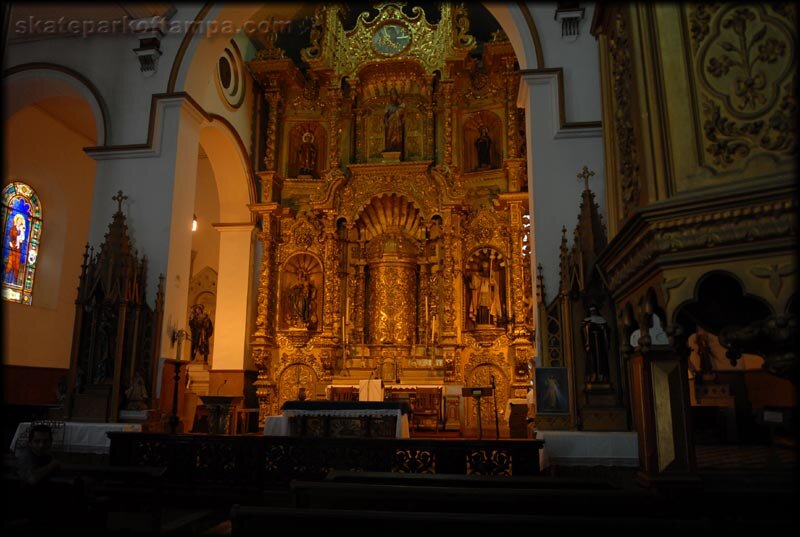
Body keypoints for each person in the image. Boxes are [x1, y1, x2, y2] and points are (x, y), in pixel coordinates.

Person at [581, 304, 610, 383]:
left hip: (600, 343)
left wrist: (606, 340)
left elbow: (606, 331)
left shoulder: (602, 320)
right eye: (591, 311)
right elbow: (585, 331)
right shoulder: (587, 321)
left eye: (594, 311)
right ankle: (592, 376)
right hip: (591, 344)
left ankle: (602, 376)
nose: (593, 312)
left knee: (601, 359)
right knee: (592, 359)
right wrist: (587, 343)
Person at [468, 261, 502, 325]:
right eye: (484, 268)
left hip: (488, 295)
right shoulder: (479, 276)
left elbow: (495, 286)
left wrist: (492, 283)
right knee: (481, 309)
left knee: (488, 309)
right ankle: (480, 323)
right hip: (480, 295)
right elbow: (475, 285)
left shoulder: (490, 277)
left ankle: (489, 323)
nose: (485, 269)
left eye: (486, 268)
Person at [4, 212, 26, 284]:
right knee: (10, 262)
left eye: (20, 221)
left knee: (16, 264)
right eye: (18, 220)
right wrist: (10, 242)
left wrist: (21, 239)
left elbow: (23, 240)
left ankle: (14, 282)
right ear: (16, 221)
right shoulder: (13, 228)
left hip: (18, 250)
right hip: (12, 248)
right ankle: (7, 280)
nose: (19, 222)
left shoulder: (21, 230)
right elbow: (10, 236)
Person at [383, 88, 405, 153]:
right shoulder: (388, 106)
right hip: (390, 124)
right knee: (389, 135)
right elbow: (385, 115)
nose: (394, 97)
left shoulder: (400, 107)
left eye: (395, 95)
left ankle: (397, 147)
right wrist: (386, 121)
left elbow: (403, 116)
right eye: (393, 95)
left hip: (397, 125)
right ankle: (389, 147)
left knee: (397, 136)